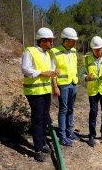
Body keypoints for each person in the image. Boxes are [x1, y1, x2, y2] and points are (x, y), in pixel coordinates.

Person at [21, 27, 59, 162]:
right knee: (37, 119)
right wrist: (42, 73)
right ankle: (37, 149)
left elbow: (48, 70)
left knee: (44, 118)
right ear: (43, 41)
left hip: (45, 91)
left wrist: (53, 72)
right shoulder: (30, 52)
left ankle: (42, 143)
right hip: (34, 92)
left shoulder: (47, 54)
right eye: (50, 41)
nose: (51, 43)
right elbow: (25, 69)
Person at [50, 27, 80, 147]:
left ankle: (70, 131)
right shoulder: (55, 51)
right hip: (62, 86)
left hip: (73, 83)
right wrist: (55, 87)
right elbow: (52, 71)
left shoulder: (73, 51)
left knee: (71, 109)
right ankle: (62, 136)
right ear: (66, 40)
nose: (75, 43)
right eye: (73, 40)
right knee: (63, 109)